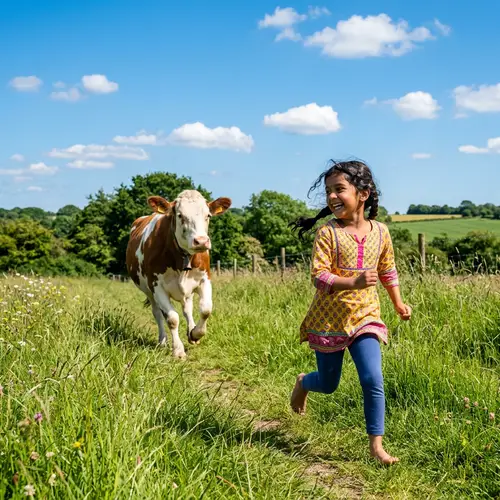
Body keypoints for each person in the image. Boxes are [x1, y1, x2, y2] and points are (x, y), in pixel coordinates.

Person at [289, 159, 411, 465]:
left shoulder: (381, 232)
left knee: (372, 378)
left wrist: (397, 302)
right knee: (328, 384)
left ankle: (376, 447)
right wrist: (352, 281)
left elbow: (388, 270)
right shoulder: (327, 234)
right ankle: (304, 382)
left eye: (339, 189)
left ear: (363, 193)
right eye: (328, 191)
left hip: (367, 317)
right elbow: (318, 276)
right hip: (329, 319)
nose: (331, 197)